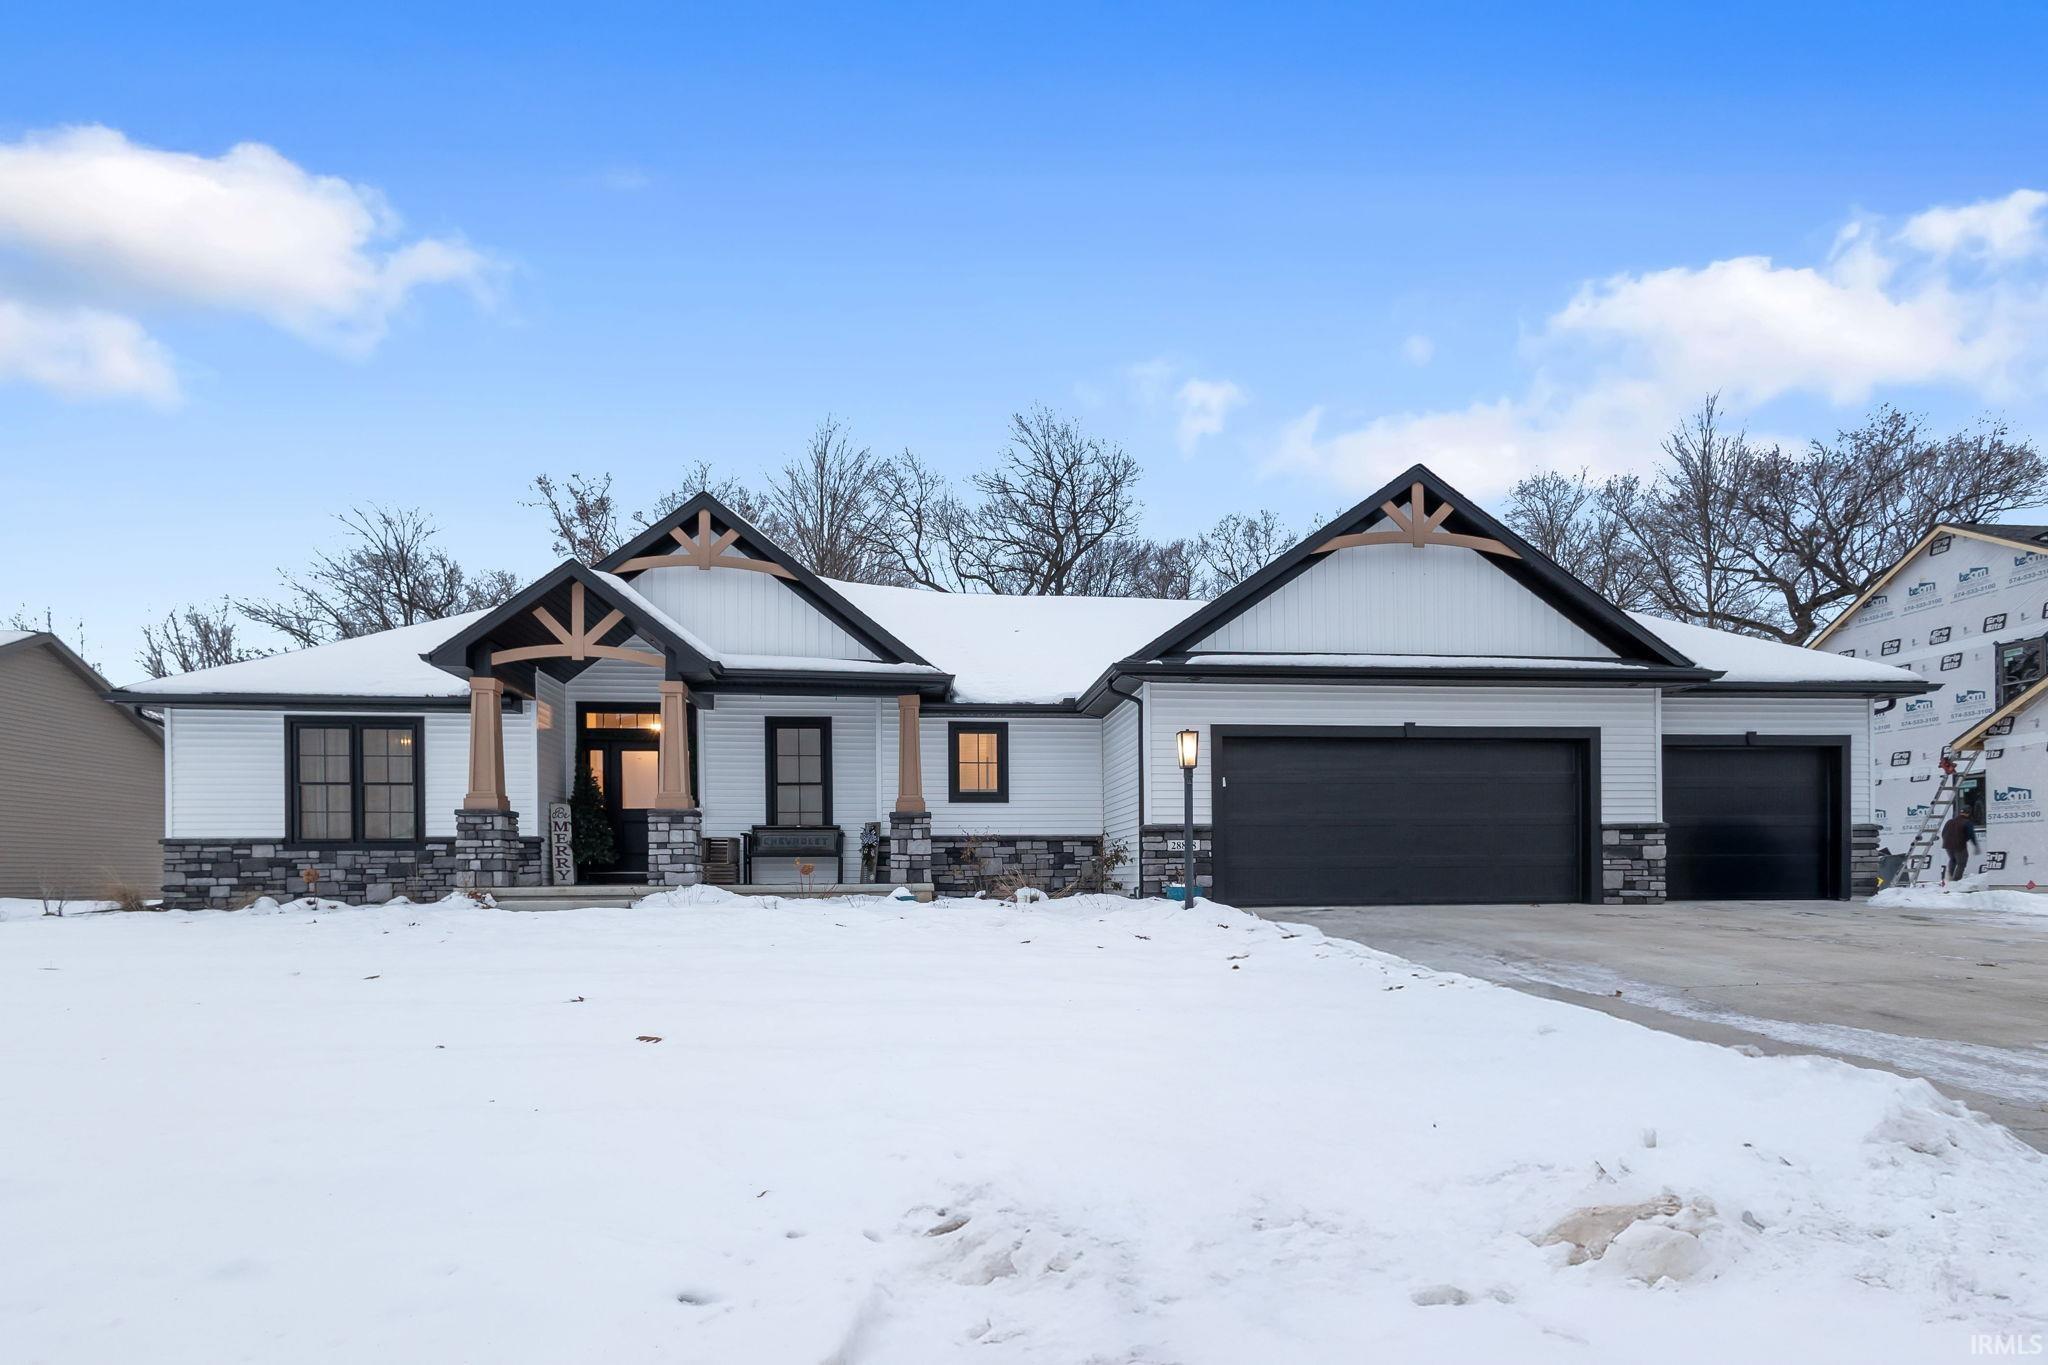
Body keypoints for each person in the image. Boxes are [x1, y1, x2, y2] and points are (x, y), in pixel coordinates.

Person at [1940, 810, 1980, 882]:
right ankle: (1956, 880)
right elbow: (1971, 835)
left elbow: (1943, 833)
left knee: (1952, 860)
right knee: (1961, 863)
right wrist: (1975, 845)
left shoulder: (1949, 821)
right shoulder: (1967, 822)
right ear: (1968, 814)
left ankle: (1949, 878)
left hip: (1948, 845)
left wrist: (1946, 841)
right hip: (1959, 845)